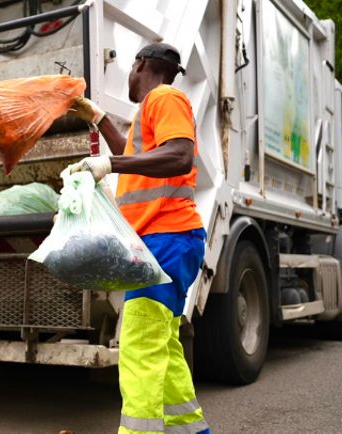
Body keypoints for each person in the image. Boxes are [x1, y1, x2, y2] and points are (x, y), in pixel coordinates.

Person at [70, 43, 211, 434]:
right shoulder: (147, 112)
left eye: (131, 68)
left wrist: (107, 165)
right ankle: (189, 429)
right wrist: (99, 119)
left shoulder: (164, 96)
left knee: (139, 348)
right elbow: (135, 155)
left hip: (167, 238)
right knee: (162, 345)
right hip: (167, 241)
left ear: (142, 65)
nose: (129, 76)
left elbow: (180, 155)